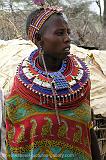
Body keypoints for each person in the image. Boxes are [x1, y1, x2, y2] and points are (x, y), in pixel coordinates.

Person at [5, 1, 101, 160]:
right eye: (60, 33)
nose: (67, 39)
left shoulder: (81, 83)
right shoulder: (20, 91)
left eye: (68, 32)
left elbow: (88, 132)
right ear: (39, 40)